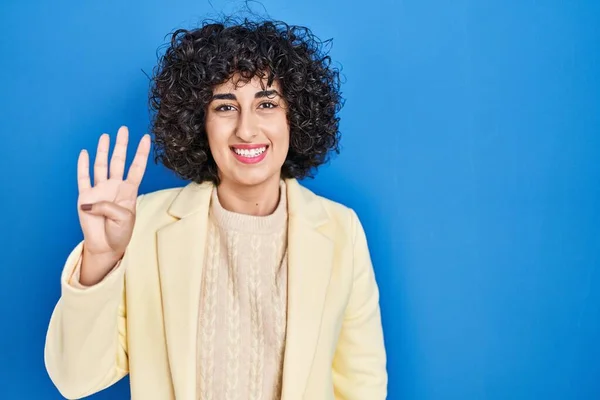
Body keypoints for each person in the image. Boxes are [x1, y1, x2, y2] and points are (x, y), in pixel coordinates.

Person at [44, 17, 387, 400]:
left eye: (267, 104)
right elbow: (74, 379)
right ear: (198, 122)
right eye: (225, 107)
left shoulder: (342, 230)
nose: (246, 129)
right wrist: (101, 257)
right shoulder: (142, 226)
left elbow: (362, 384)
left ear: (296, 117)